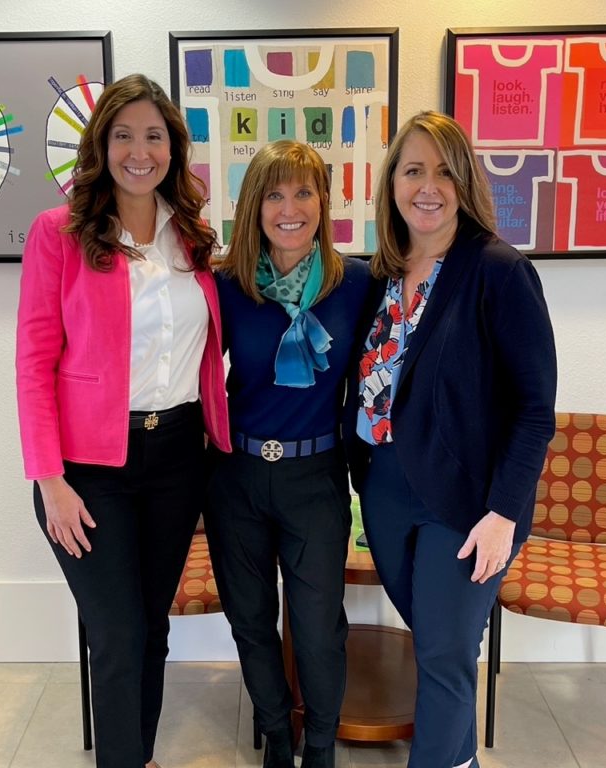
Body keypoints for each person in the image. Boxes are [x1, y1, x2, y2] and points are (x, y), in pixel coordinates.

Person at [15, 73, 231, 768]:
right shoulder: (61, 233)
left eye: (155, 136)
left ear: (174, 147)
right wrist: (49, 481)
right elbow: (34, 362)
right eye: (124, 135)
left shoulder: (193, 237)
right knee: (115, 635)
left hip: (176, 460)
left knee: (151, 630)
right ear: (101, 144)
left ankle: (135, 754)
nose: (140, 151)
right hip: (87, 472)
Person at [350, 112, 557, 768]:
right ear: (393, 184)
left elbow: (533, 411)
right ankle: (461, 757)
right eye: (413, 169)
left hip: (470, 502)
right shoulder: (378, 272)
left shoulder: (498, 271)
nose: (427, 185)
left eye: (443, 169)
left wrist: (502, 516)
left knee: (442, 653)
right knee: (439, 640)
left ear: (464, 179)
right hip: (384, 490)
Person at [205, 141, 372, 768]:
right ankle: (278, 735)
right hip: (237, 478)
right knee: (250, 620)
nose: (290, 208)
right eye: (274, 194)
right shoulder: (228, 285)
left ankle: (321, 745)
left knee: (318, 627)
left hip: (316, 477)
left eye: (304, 192)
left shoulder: (355, 282)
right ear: (254, 206)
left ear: (323, 203)